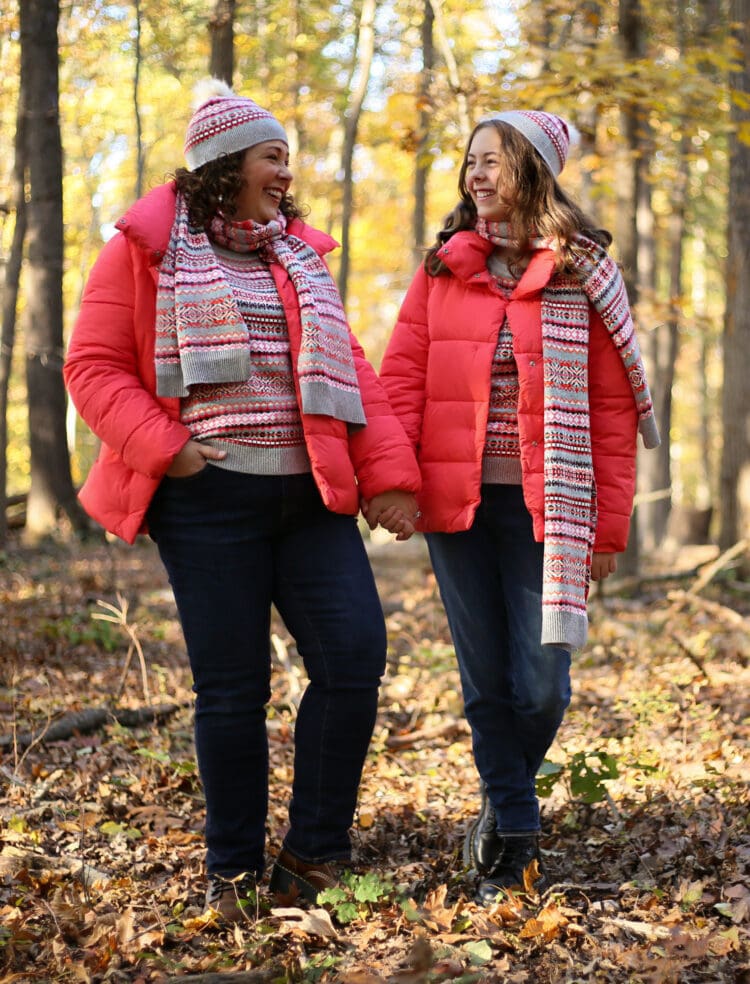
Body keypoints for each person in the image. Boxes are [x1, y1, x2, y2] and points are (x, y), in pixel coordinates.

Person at [64, 78, 420, 921]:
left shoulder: (297, 257)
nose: (286, 173)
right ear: (226, 166)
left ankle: (313, 854)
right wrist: (170, 448)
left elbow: (351, 376)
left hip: (311, 498)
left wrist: (391, 478)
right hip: (208, 501)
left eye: (287, 157)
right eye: (273, 156)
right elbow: (93, 367)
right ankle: (230, 873)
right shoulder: (145, 253)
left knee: (354, 658)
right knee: (233, 689)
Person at [377, 110, 660, 905]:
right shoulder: (442, 270)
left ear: (533, 170)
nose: (476, 175)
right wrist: (394, 480)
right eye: (470, 161)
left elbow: (609, 413)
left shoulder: (585, 275)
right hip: (457, 504)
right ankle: (514, 839)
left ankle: (501, 807)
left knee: (539, 683)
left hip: (553, 510)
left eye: (492, 162)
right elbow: (401, 381)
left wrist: (609, 529)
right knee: (484, 678)